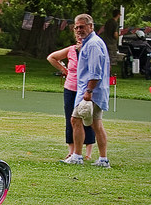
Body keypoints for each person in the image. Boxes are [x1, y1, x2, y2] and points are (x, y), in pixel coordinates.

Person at [65, 14, 111, 168]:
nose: (79, 30)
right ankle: (103, 159)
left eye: (82, 27)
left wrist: (89, 91)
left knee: (75, 120)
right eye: (76, 27)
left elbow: (95, 72)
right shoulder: (90, 43)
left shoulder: (92, 45)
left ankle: (77, 156)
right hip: (94, 91)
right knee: (96, 124)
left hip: (91, 92)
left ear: (91, 27)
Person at [47, 34, 95, 162]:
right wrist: (64, 69)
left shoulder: (91, 51)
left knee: (87, 118)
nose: (80, 40)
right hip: (70, 88)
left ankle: (88, 152)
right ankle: (71, 151)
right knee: (70, 119)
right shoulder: (71, 50)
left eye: (83, 38)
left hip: (85, 89)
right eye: (78, 38)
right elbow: (51, 58)